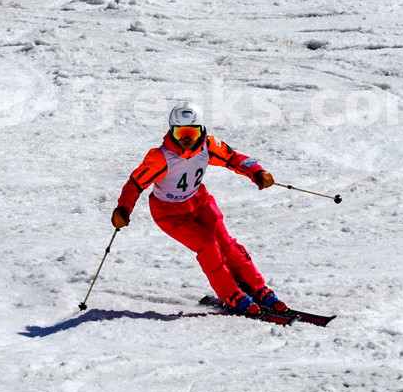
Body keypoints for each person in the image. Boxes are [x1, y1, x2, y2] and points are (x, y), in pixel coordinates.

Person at [110, 104, 288, 315]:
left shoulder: (209, 145)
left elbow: (233, 158)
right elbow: (135, 184)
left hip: (200, 202)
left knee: (227, 243)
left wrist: (256, 172)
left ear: (201, 130)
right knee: (207, 245)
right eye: (180, 132)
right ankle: (230, 293)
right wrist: (123, 208)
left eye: (192, 132)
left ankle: (257, 287)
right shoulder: (160, 157)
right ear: (171, 131)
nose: (186, 138)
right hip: (169, 213)